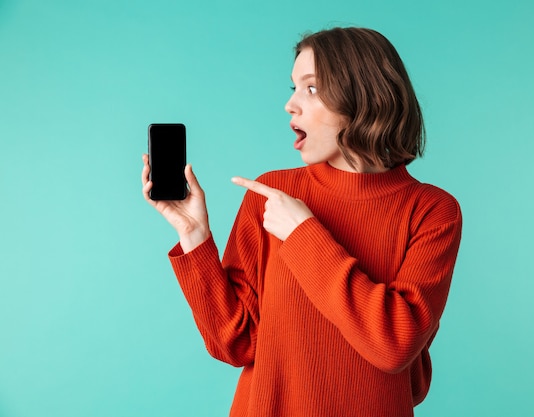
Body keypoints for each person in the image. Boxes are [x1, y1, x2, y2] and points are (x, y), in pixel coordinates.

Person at [142, 27, 462, 417]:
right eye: (293, 87)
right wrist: (194, 236)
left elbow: (394, 344)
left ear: (364, 95)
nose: (290, 105)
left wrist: (303, 234)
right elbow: (235, 343)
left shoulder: (432, 210)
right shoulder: (271, 193)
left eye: (311, 88)